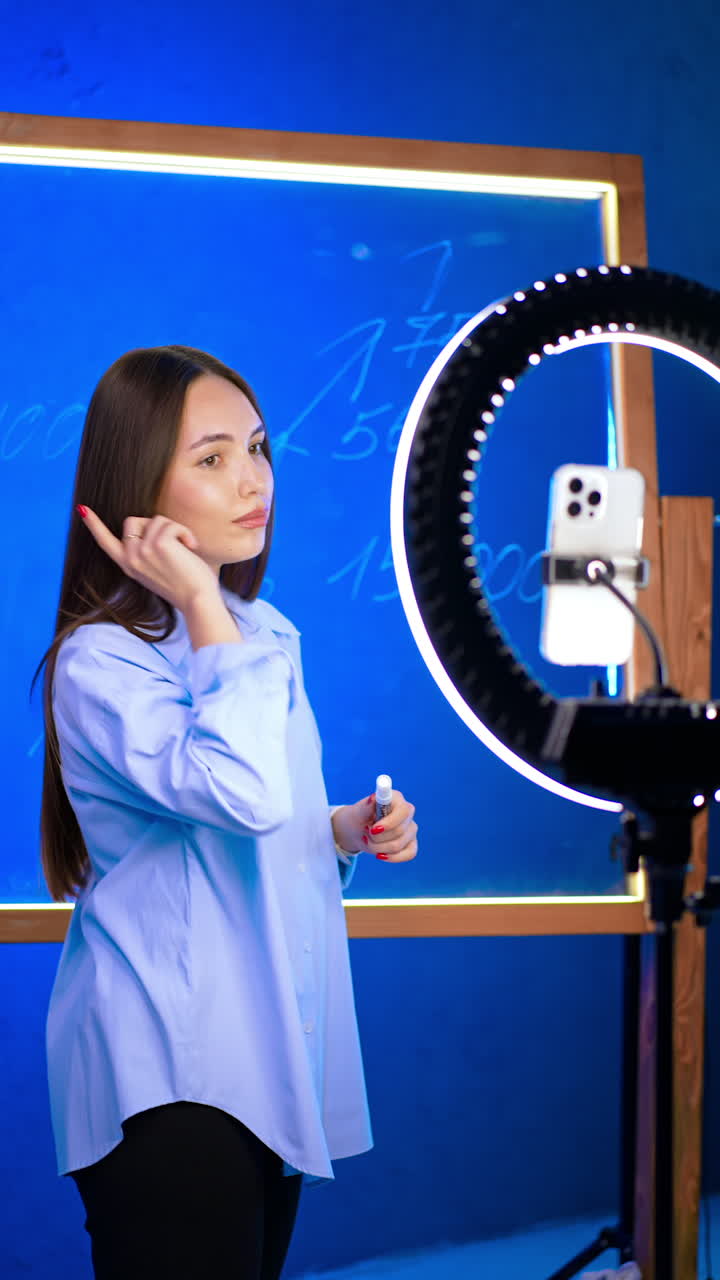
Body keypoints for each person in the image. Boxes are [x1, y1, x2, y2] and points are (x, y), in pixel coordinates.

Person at [32, 345, 419, 1279]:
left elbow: (255, 819)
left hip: (263, 1053)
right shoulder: (101, 663)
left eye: (256, 447)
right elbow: (240, 793)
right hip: (168, 1068)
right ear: (137, 490)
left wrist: (338, 831)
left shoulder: (266, 632)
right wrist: (203, 600)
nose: (253, 481)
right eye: (211, 459)